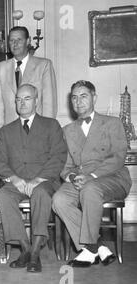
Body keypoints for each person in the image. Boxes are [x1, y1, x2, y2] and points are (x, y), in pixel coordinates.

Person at [52, 80, 132, 267]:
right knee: (59, 199)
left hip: (112, 178)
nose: (78, 102)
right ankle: (97, 247)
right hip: (80, 179)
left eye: (83, 96)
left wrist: (92, 177)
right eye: (74, 98)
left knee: (90, 189)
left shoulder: (112, 123)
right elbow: (65, 165)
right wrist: (72, 177)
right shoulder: (67, 131)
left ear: (94, 97)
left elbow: (118, 158)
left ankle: (89, 249)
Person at [0, 84, 67, 273]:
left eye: (27, 98)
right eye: (18, 99)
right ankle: (24, 247)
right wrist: (14, 178)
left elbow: (58, 156)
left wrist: (39, 179)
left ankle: (36, 251)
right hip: (17, 182)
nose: (22, 103)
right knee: (3, 196)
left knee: (41, 194)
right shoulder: (6, 130)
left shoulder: (51, 125)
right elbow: (0, 163)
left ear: (36, 100)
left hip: (45, 182)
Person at [0, 26, 57, 138]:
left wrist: (47, 132)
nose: (15, 44)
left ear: (28, 41)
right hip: (10, 133)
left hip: (37, 132)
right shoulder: (0, 68)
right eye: (12, 40)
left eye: (19, 40)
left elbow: (49, 103)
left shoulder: (44, 65)